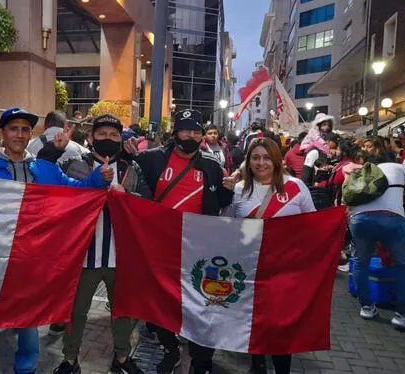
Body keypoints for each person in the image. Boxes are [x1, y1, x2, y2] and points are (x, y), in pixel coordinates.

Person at [0, 107, 112, 374]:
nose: (19, 134)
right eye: (13, 129)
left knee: (29, 328)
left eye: (25, 129)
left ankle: (26, 370)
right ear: (2, 133)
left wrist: (98, 179)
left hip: (30, 265)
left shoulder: (44, 169)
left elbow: (77, 192)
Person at [123, 109, 234, 374]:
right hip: (160, 246)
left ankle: (199, 357)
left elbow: (218, 204)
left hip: (198, 247)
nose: (191, 135)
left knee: (196, 300)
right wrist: (126, 154)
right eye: (185, 130)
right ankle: (169, 347)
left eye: (196, 130)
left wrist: (227, 193)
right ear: (175, 132)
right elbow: (132, 188)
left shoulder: (211, 166)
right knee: (162, 299)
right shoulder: (151, 159)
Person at [54, 115, 151, 374]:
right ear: (91, 137)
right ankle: (70, 359)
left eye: (114, 135)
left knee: (123, 312)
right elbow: (57, 197)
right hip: (84, 255)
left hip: (121, 256)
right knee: (76, 312)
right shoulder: (75, 166)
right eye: (102, 134)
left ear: (121, 139)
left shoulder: (131, 169)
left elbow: (148, 204)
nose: (108, 139)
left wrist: (127, 196)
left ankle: (121, 357)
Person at [226, 137, 315, 374]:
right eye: (255, 157)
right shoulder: (239, 189)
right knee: (254, 322)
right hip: (251, 269)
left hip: (285, 271)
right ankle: (257, 366)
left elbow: (314, 225)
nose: (261, 163)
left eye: (266, 157)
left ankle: (282, 368)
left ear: (277, 160)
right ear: (248, 161)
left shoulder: (296, 186)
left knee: (281, 326)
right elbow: (231, 228)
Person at [349, 142, 405, 330]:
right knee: (404, 265)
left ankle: (367, 307)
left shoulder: (359, 171)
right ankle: (403, 315)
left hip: (359, 220)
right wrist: (401, 197)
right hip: (391, 220)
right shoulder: (400, 167)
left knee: (360, 261)